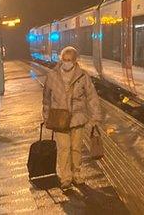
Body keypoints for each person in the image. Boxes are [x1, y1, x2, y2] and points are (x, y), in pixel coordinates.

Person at [42, 46, 103, 188]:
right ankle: (66, 178)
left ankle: (77, 173)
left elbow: (92, 97)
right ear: (61, 59)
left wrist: (95, 117)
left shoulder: (83, 76)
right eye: (64, 59)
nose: (67, 62)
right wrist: (46, 117)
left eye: (70, 60)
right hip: (59, 119)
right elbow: (46, 99)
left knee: (76, 149)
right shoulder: (52, 76)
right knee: (64, 149)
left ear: (75, 60)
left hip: (78, 118)